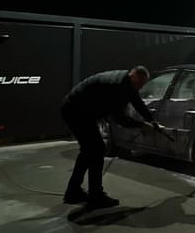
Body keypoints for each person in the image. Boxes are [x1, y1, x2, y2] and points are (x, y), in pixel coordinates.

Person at [61, 65, 158, 209]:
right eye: (138, 84)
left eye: (142, 85)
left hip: (80, 111)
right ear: (132, 76)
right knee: (97, 149)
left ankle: (73, 191)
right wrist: (142, 125)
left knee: (88, 151)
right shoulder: (117, 87)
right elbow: (120, 119)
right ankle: (95, 196)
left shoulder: (129, 83)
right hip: (76, 111)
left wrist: (152, 120)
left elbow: (137, 102)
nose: (139, 88)